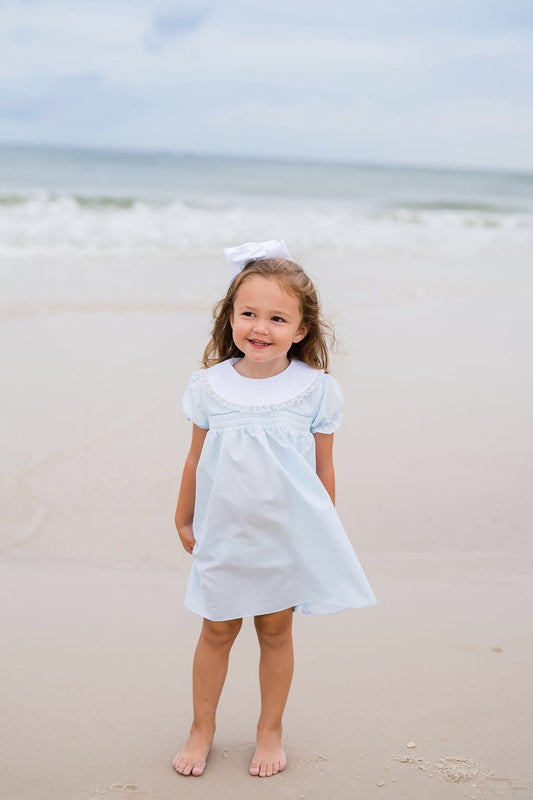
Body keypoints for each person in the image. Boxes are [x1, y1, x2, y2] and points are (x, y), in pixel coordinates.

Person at [173, 240, 376, 779]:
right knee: (216, 631)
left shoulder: (315, 390)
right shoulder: (209, 385)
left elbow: (323, 472)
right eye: (249, 314)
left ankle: (270, 729)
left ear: (302, 329)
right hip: (224, 535)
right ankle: (202, 728)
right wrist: (183, 517)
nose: (260, 328)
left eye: (277, 318)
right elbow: (195, 459)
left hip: (284, 538)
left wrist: (318, 533)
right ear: (230, 317)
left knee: (275, 632)